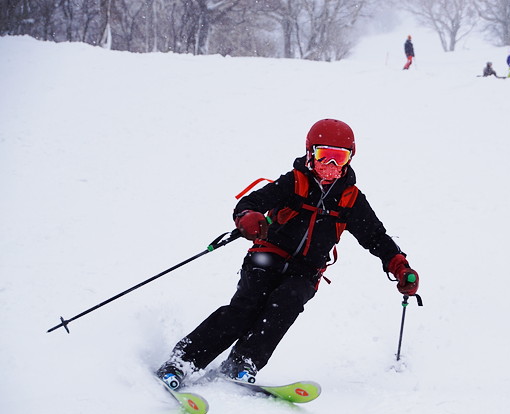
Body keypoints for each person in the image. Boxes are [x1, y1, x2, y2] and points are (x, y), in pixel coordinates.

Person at [156, 119, 420, 389]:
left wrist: (399, 266)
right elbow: (251, 202)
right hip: (268, 255)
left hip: (306, 270)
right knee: (244, 308)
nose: (330, 166)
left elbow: (375, 237)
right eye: (323, 156)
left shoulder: (351, 199)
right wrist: (248, 216)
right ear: (310, 153)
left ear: (350, 159)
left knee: (285, 304)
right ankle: (182, 361)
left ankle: (243, 361)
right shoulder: (294, 182)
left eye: (339, 158)